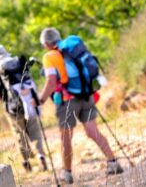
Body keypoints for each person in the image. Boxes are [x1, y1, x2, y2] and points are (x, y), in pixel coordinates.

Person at [38, 28, 123, 184]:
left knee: (66, 137)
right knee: (92, 131)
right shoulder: (73, 48)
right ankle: (113, 162)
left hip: (67, 101)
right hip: (86, 94)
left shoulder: (50, 57)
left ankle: (67, 173)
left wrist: (40, 100)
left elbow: (51, 81)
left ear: (46, 44)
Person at [0, 45, 48, 172]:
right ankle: (41, 155)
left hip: (13, 108)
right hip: (30, 102)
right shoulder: (19, 64)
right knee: (35, 131)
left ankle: (26, 162)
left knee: (19, 134)